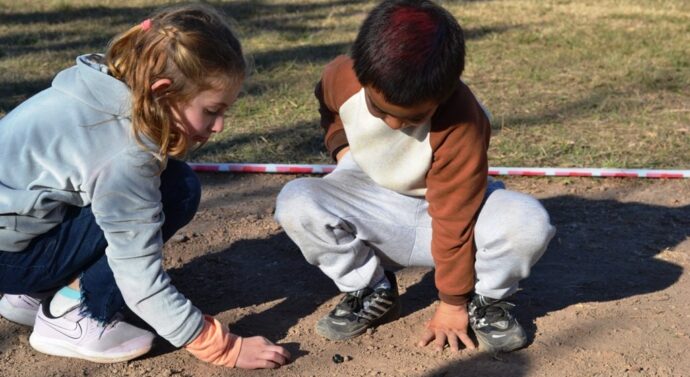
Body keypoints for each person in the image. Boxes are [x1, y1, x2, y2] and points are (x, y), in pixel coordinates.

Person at [0, 3, 290, 369]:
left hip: (13, 238)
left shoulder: (92, 88)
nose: (218, 127)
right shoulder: (126, 152)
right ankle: (76, 315)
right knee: (176, 189)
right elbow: (138, 274)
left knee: (161, 180)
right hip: (12, 260)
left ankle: (31, 296)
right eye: (212, 110)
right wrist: (222, 347)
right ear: (162, 92)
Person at [274, 0, 555, 353]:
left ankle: (484, 302)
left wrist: (452, 301)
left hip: (456, 222)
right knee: (296, 200)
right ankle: (370, 288)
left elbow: (454, 218)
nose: (393, 124)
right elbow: (329, 104)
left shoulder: (462, 121)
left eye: (412, 118)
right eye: (382, 110)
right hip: (379, 207)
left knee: (526, 222)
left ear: (444, 93)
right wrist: (342, 148)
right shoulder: (342, 76)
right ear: (363, 75)